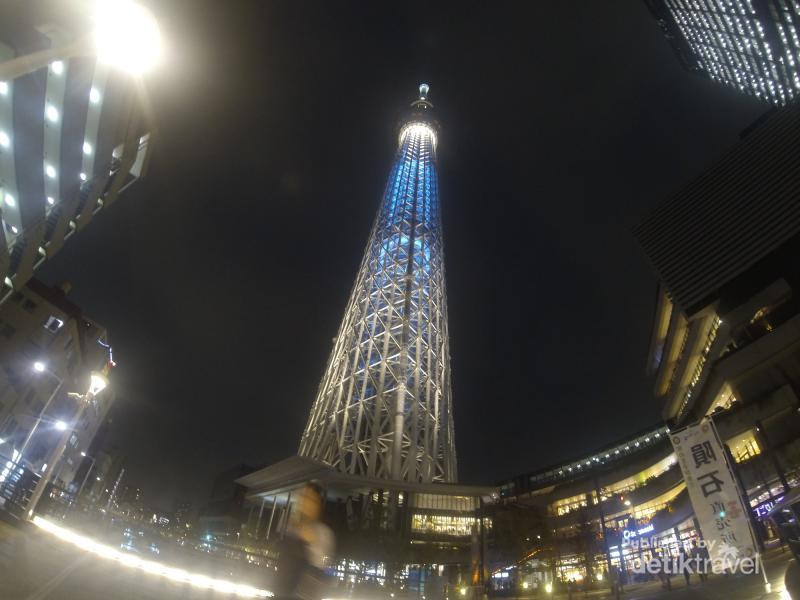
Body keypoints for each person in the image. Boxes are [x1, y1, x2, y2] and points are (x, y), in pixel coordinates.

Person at [274, 483, 335, 600]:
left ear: (317, 504)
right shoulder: (290, 527)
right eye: (302, 498)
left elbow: (322, 570)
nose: (303, 503)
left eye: (309, 499)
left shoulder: (323, 534)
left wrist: (309, 543)